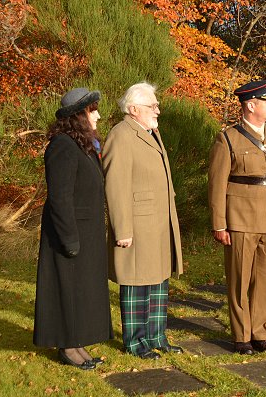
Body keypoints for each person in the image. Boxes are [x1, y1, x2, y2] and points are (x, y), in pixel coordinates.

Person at [33, 87, 113, 370]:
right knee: (66, 289)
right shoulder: (62, 146)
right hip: (68, 231)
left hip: (87, 230)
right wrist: (69, 238)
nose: (99, 116)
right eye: (94, 111)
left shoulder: (82, 145)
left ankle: (77, 341)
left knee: (82, 290)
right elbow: (60, 197)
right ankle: (66, 346)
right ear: (79, 115)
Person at [103, 82, 183, 360]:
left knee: (158, 280)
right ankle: (136, 342)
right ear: (134, 108)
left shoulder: (149, 132)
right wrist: (122, 229)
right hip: (137, 225)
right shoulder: (121, 135)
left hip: (158, 224)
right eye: (152, 105)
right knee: (137, 282)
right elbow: (116, 185)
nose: (158, 110)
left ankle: (156, 337)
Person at [208, 79, 266, 355]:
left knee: (265, 278)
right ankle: (241, 335)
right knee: (240, 278)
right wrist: (219, 223)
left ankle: (260, 333)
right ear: (251, 105)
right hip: (240, 218)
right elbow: (217, 184)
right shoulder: (228, 138)